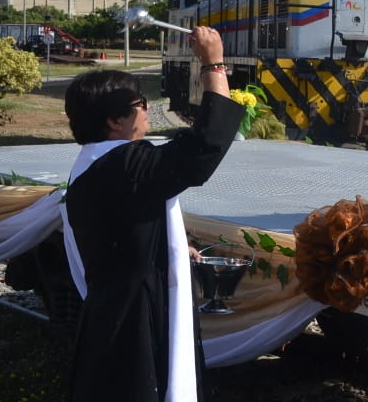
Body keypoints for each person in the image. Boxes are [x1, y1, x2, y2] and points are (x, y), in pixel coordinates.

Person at [61, 26, 244, 402]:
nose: (146, 110)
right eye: (140, 103)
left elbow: (129, 220)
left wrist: (174, 248)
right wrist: (214, 64)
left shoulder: (96, 163)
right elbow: (204, 149)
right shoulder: (124, 163)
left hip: (113, 304)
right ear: (115, 121)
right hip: (134, 317)